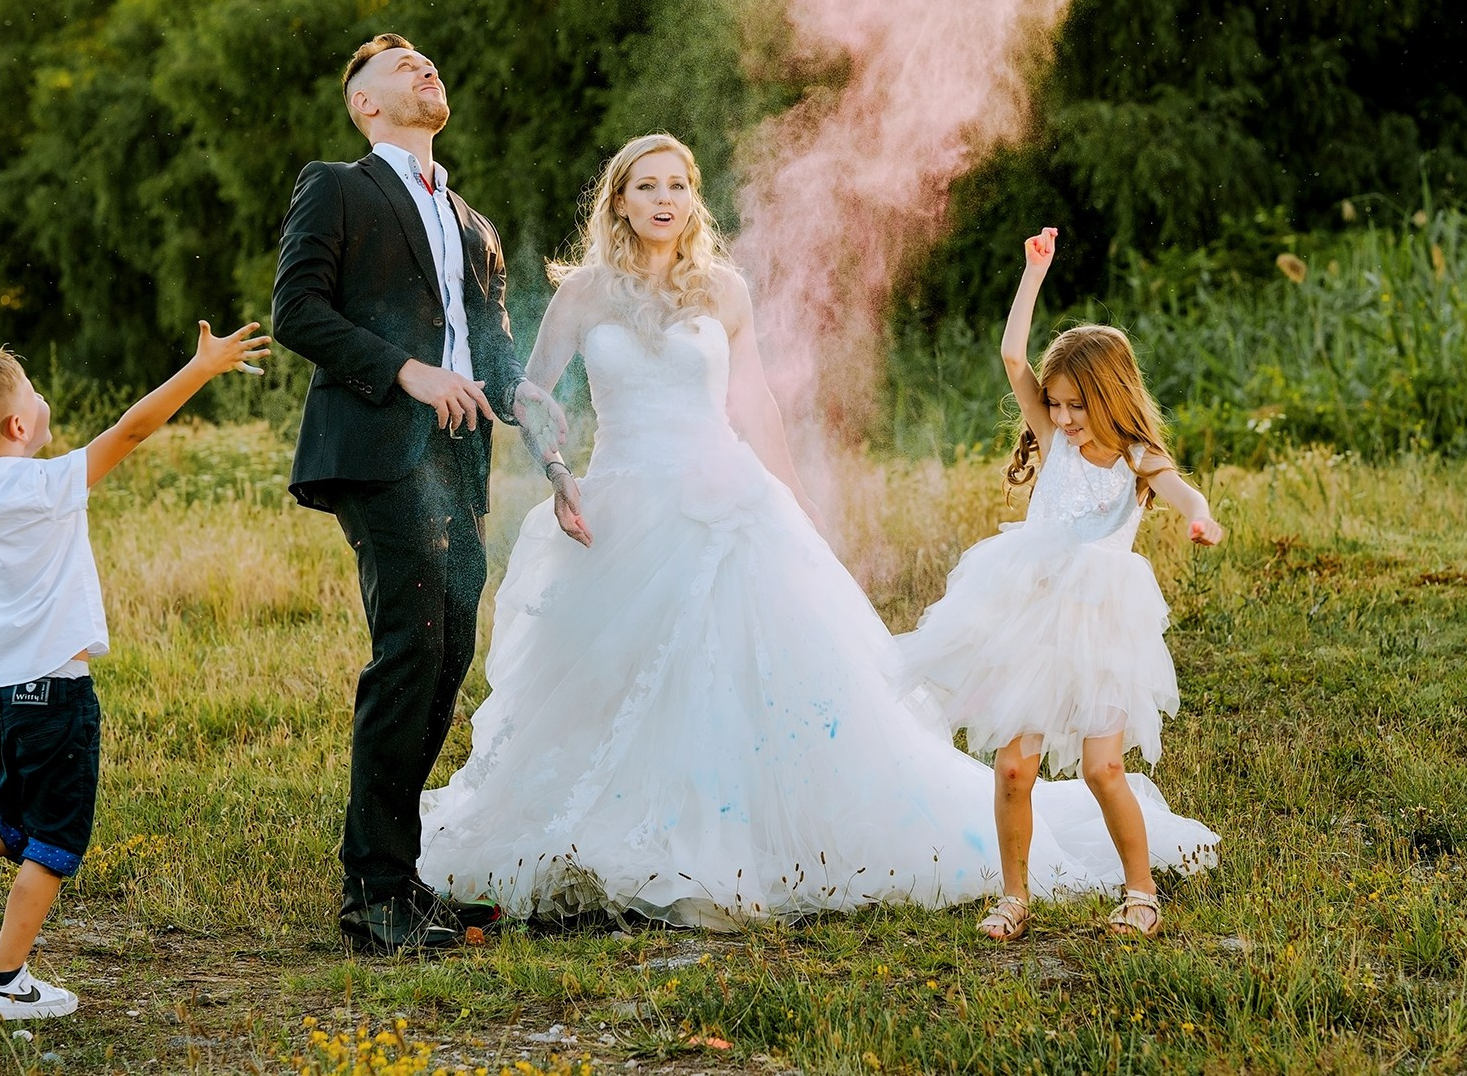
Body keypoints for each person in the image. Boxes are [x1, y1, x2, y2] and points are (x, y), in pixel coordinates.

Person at [420, 135, 1126, 927]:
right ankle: (612, 835)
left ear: (692, 199)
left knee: (730, 679)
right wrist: (556, 475)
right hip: (616, 511)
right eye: (646, 185)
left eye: (679, 185)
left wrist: (795, 504)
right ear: (618, 200)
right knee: (620, 686)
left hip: (725, 501)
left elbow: (753, 406)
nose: (664, 199)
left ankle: (724, 848)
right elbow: (532, 395)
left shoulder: (722, 290)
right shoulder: (584, 293)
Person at [0, 321, 271, 1019]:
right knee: (53, 842)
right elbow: (132, 430)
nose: (42, 399)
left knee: (12, 821)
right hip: (57, 698)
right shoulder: (44, 485)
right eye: (34, 393)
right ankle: (3, 981)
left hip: (4, 695)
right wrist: (201, 368)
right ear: (19, 424)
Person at [271, 33, 565, 954]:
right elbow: (298, 312)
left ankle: (397, 877)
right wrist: (405, 370)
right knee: (413, 647)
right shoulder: (339, 186)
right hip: (375, 450)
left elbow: (492, 343)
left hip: (458, 462)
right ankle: (374, 895)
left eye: (432, 63)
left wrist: (522, 393)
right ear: (365, 104)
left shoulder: (474, 222)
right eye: (401, 69)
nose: (426, 70)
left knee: (444, 655)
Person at [899, 229, 1221, 943]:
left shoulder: (1138, 455)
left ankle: (1141, 892)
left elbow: (1181, 489)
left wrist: (1201, 517)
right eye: (1056, 403)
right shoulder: (1051, 437)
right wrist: (1032, 273)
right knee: (1015, 766)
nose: (1065, 418)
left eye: (1078, 405)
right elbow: (1012, 353)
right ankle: (1013, 896)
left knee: (1106, 769)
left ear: (1110, 395)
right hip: (1031, 614)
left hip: (1101, 622)